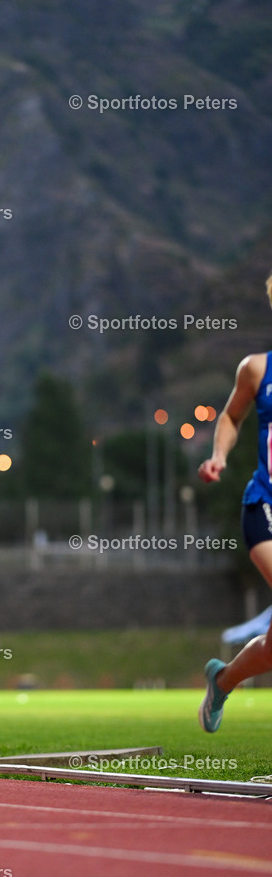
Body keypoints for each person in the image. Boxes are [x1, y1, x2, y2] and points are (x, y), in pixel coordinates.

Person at [197, 272, 272, 731]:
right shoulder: (257, 369)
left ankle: (223, 680)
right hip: (265, 506)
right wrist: (218, 456)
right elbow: (230, 415)